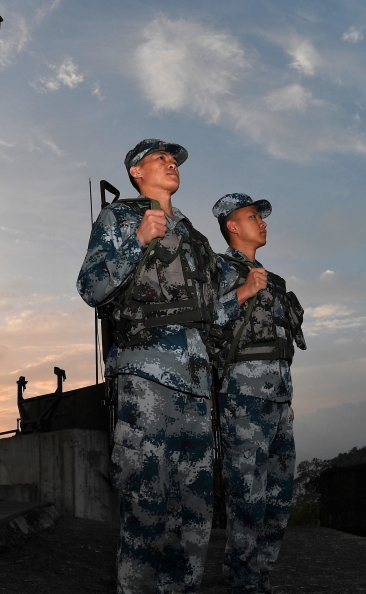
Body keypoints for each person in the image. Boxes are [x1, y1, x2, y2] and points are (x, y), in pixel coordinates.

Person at [77, 139, 222, 593]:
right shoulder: (119, 219)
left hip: (198, 389)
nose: (171, 163)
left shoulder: (195, 235)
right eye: (160, 158)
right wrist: (139, 240)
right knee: (146, 506)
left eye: (174, 158)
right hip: (145, 381)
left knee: (195, 516)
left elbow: (213, 310)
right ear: (136, 172)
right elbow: (90, 286)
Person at [210, 194, 306, 594]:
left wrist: (287, 394)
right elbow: (202, 323)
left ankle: (258, 577)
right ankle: (242, 579)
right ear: (233, 226)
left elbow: (282, 341)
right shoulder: (216, 268)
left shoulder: (276, 280)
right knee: (247, 498)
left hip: (279, 400)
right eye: (252, 217)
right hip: (242, 398)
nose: (261, 223)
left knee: (279, 497)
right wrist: (244, 291)